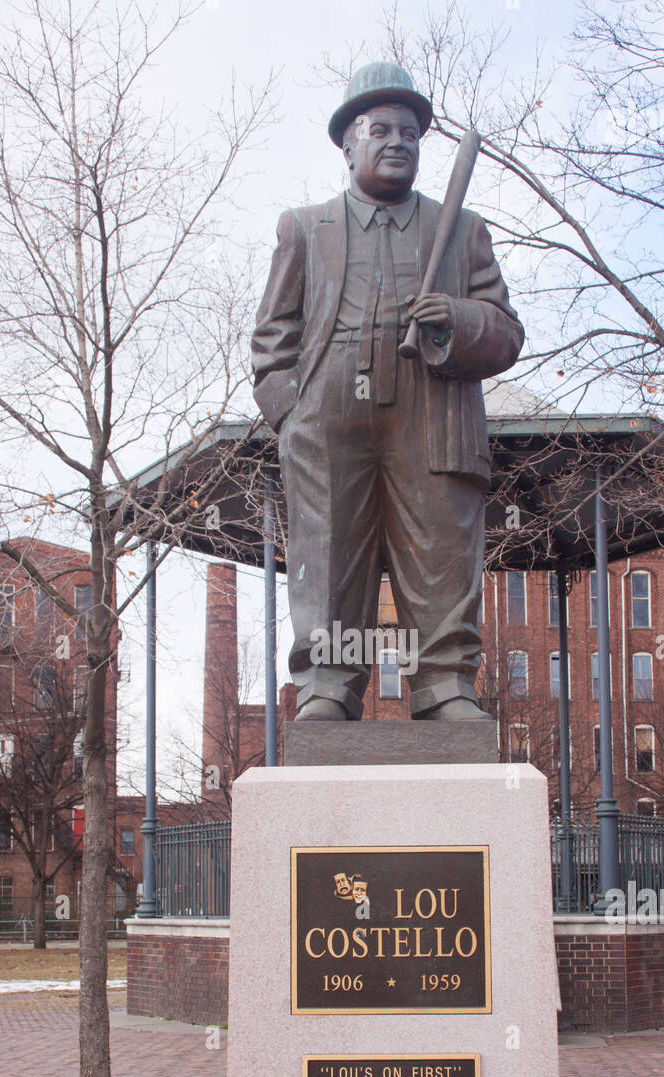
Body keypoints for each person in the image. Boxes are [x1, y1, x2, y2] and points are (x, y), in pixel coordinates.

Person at [252, 62, 524, 721]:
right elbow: (272, 333)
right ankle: (327, 684)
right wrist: (291, 413)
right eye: (380, 129)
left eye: (409, 131)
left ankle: (444, 685)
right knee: (326, 555)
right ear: (347, 144)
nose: (397, 140)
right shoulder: (304, 227)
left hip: (430, 413)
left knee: (438, 550)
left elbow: (506, 332)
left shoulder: (463, 230)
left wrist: (456, 321)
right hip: (327, 417)